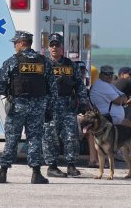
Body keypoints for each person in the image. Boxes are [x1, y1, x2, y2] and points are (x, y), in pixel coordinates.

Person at [0, 30, 57, 184]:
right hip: (38, 107)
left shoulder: (13, 61)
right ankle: (36, 174)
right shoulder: (44, 62)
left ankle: (2, 173)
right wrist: (49, 108)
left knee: (11, 139)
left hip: (17, 106)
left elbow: (0, 84)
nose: (14, 46)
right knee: (35, 139)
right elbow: (53, 88)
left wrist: (7, 93)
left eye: (15, 43)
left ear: (22, 43)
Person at [42, 33, 88, 178]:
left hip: (68, 106)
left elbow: (80, 85)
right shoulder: (43, 65)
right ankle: (52, 166)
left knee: (71, 136)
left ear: (62, 47)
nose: (54, 48)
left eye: (57, 45)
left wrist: (82, 103)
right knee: (50, 137)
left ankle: (71, 166)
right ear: (48, 48)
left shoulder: (70, 65)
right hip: (50, 106)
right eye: (52, 45)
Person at [90, 65, 131, 131]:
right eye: (106, 74)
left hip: (111, 116)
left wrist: (122, 98)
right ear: (100, 75)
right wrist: (122, 98)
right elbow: (119, 101)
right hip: (107, 117)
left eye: (111, 74)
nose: (109, 76)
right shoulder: (102, 85)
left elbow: (124, 97)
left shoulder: (109, 84)